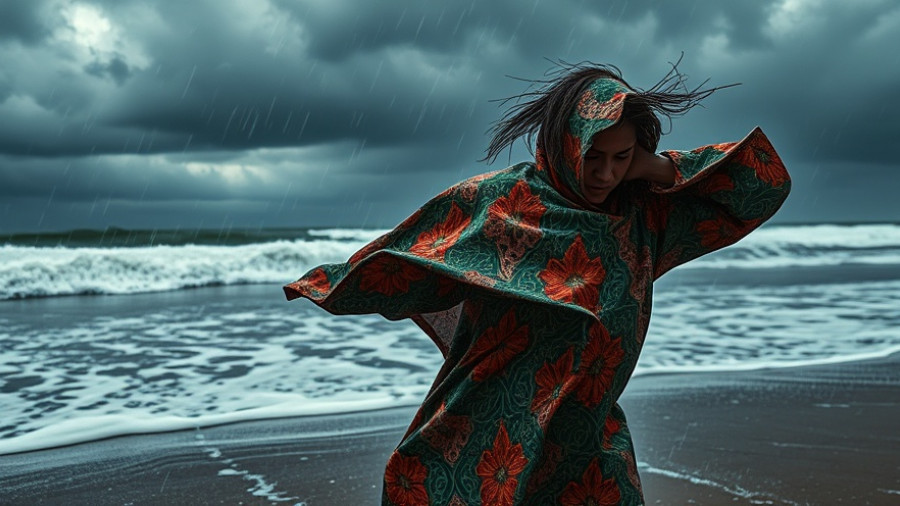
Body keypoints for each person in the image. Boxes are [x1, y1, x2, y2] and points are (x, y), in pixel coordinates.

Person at [284, 61, 791, 505]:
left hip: (587, 438)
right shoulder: (505, 203)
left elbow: (761, 185)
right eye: (595, 156)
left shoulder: (644, 218)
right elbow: (412, 253)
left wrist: (655, 167)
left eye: (621, 158)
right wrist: (333, 283)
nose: (605, 174)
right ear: (567, 142)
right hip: (491, 427)